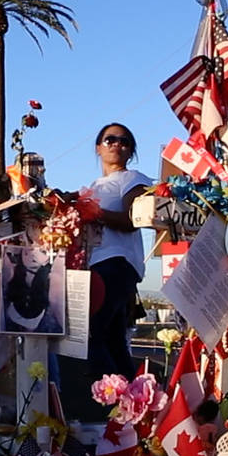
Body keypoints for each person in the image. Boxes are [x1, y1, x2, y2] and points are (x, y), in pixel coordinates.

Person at [86, 123, 151, 378]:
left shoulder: (132, 178)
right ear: (98, 148)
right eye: (110, 139)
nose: (116, 144)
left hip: (115, 263)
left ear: (131, 151)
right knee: (113, 340)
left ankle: (110, 396)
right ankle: (134, 396)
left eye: (124, 141)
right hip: (97, 264)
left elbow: (132, 219)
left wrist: (95, 212)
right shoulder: (94, 185)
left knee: (93, 335)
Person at [2, 246, 60, 333]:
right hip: (15, 312)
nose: (33, 255)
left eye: (42, 252)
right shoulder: (13, 271)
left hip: (34, 317)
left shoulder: (51, 276)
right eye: (27, 253)